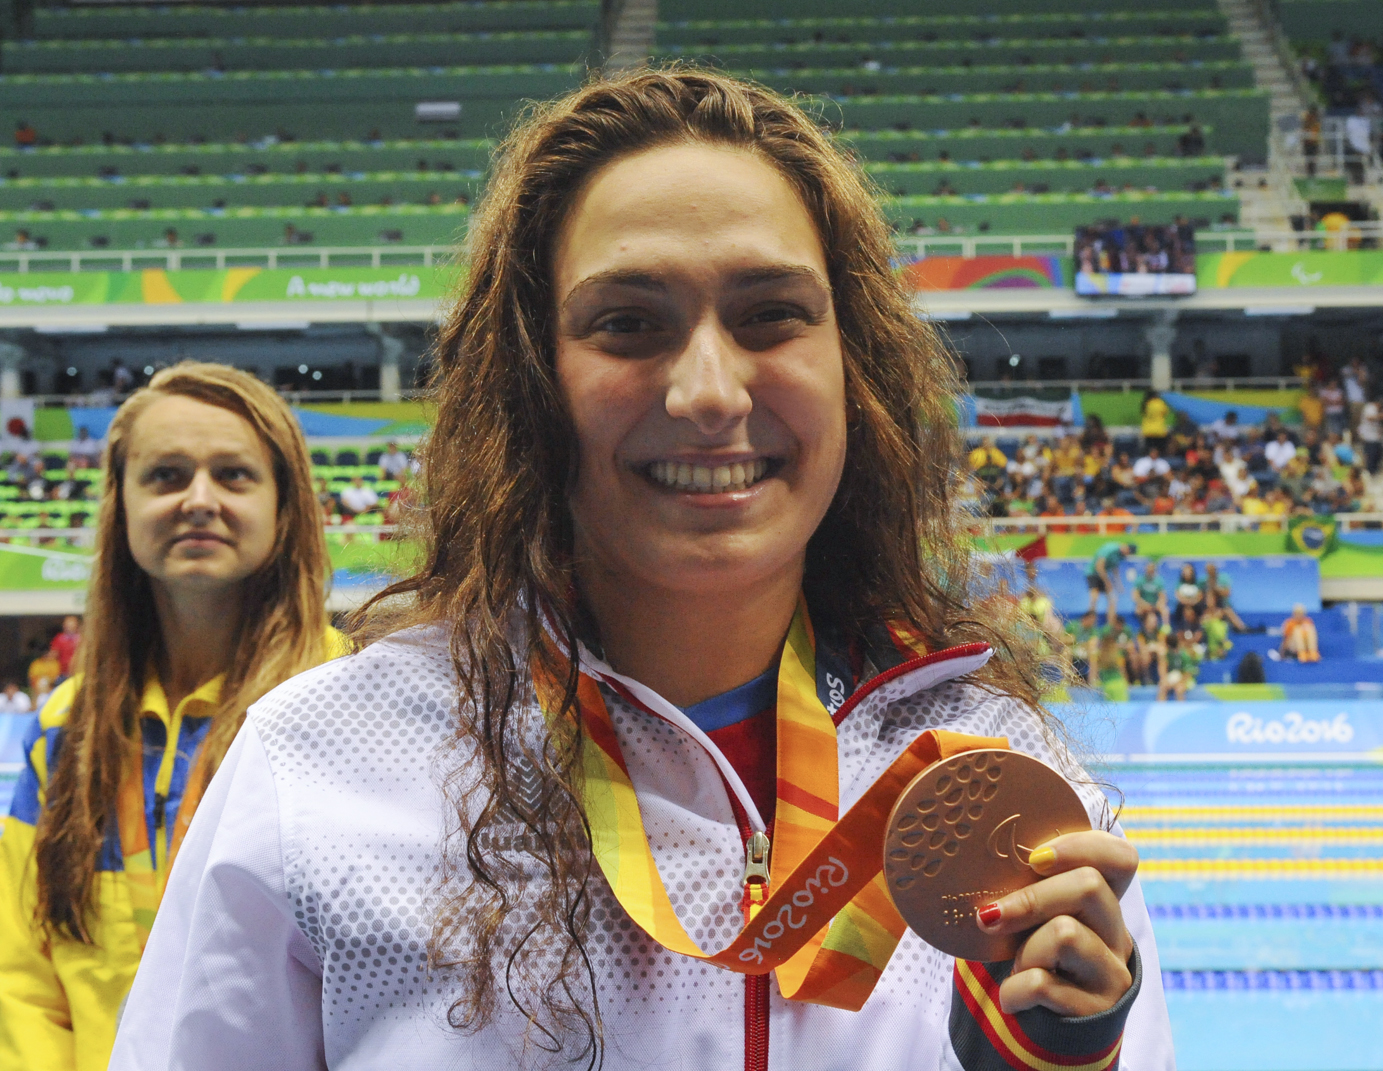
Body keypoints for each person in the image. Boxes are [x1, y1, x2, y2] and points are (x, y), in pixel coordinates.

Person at [112, 72, 1172, 1071]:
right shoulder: (320, 766)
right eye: (627, 324)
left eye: (771, 314)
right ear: (531, 377)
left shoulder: (999, 788)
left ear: (852, 366)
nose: (708, 392)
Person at [0, 363, 346, 1071]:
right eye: (165, 475)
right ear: (121, 505)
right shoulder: (64, 730)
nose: (199, 499)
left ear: (284, 505)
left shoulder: (347, 709)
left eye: (234, 475)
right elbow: (22, 982)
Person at [1087, 539, 1136, 618]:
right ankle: (1090, 620)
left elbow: (1115, 569)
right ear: (1126, 547)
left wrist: (1119, 585)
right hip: (1093, 573)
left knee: (1113, 599)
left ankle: (1110, 622)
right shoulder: (1110, 549)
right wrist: (1107, 582)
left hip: (1104, 574)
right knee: (1094, 597)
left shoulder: (1121, 556)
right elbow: (1099, 566)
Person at [48, 613, 81, 680]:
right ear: (64, 626)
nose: (70, 627)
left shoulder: (81, 639)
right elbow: (54, 654)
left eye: (72, 624)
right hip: (63, 673)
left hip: (78, 671)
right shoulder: (59, 638)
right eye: (68, 625)